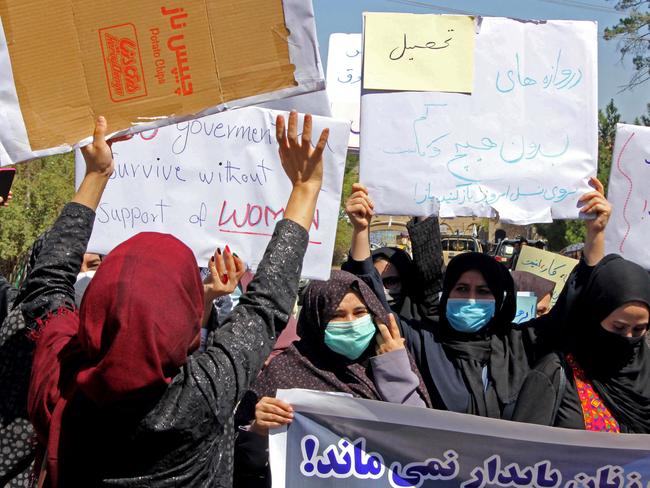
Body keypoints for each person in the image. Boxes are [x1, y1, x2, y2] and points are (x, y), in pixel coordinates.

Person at [24, 111, 329, 487]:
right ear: (184, 317)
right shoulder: (203, 391)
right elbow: (266, 304)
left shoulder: (59, 374)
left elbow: (46, 284)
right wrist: (305, 188)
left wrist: (96, 175)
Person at [343, 177, 612, 418]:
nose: (470, 299)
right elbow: (369, 299)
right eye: (461, 289)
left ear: (499, 300)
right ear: (446, 294)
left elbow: (574, 304)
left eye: (483, 292)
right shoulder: (423, 342)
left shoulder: (521, 344)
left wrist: (596, 234)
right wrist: (361, 230)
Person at [233, 270, 429, 487]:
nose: (351, 323)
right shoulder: (284, 372)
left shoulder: (392, 360)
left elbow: (424, 444)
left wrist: (395, 371)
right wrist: (258, 431)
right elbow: (243, 465)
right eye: (337, 315)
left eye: (360, 312)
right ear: (316, 317)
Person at [512, 255, 650, 433]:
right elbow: (522, 448)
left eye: (639, 329)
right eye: (619, 327)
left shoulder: (646, 374)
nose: (628, 337)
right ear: (594, 317)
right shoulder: (556, 372)